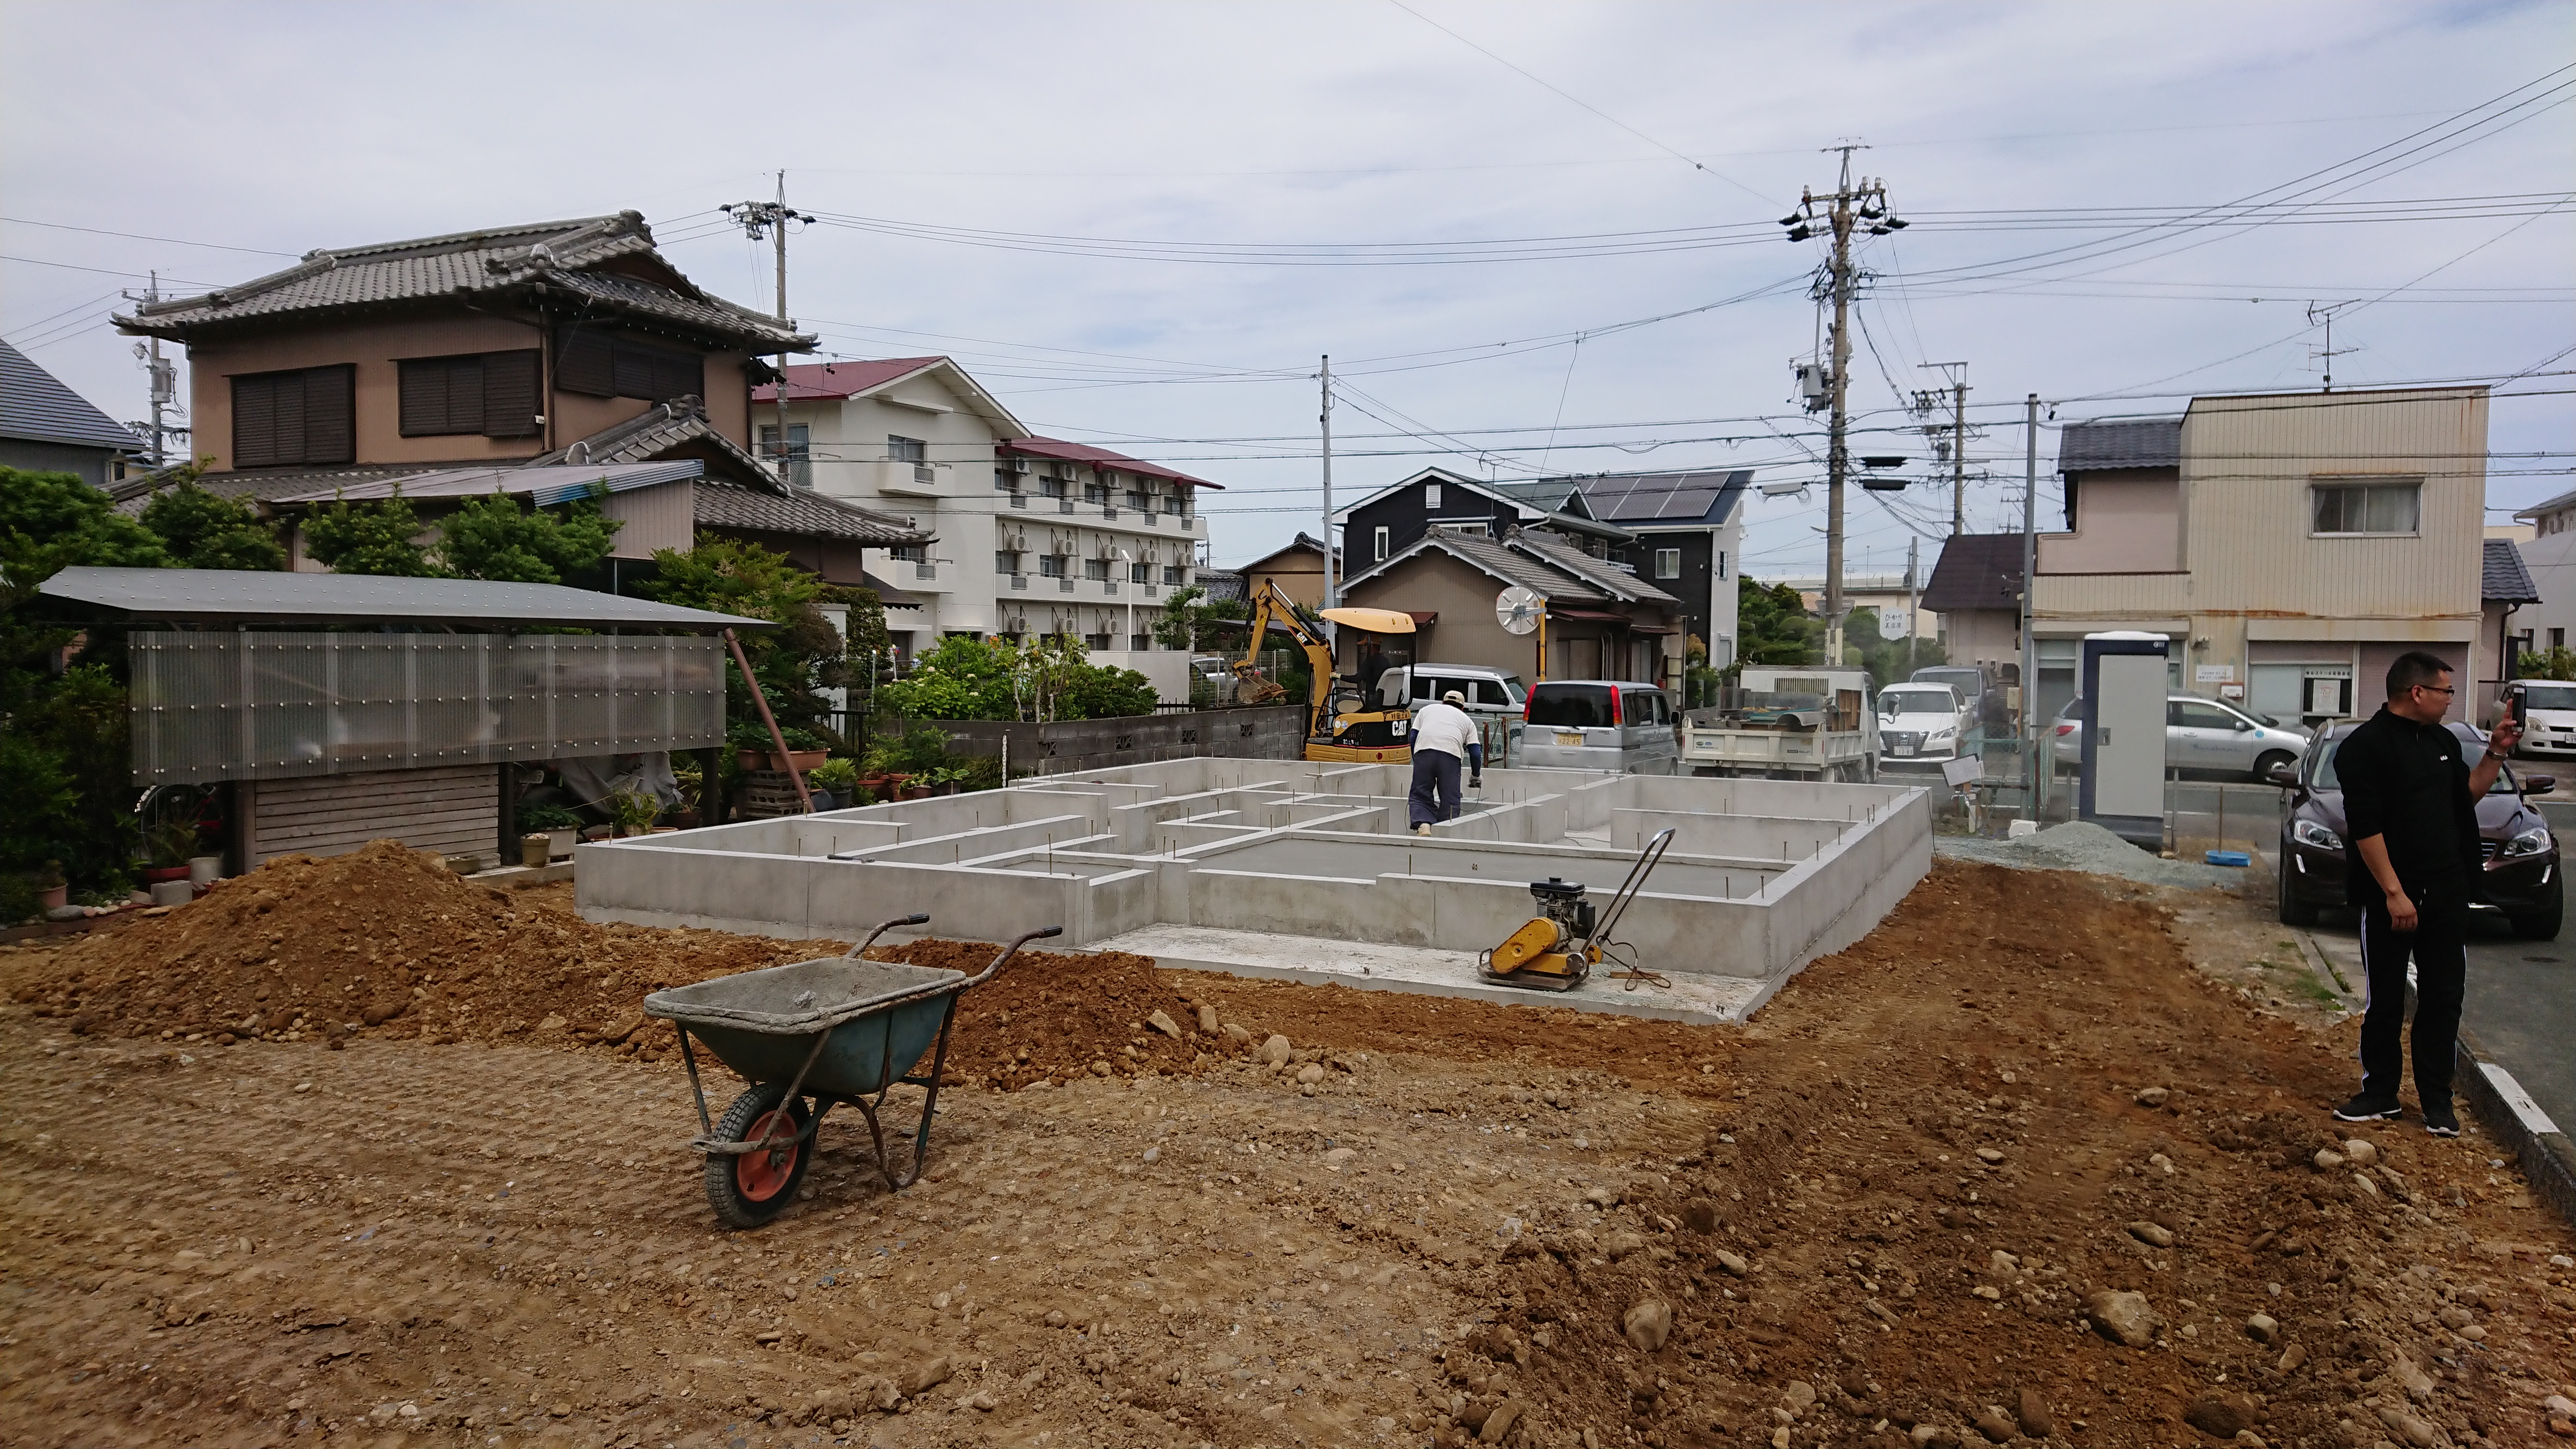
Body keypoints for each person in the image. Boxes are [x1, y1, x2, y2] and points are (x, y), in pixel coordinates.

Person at [2330, 650, 2520, 1136]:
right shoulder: (2363, 748)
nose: (2450, 701)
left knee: (2442, 998)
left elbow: (2466, 796)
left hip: (2445, 893)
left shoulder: (2441, 743)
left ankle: (2437, 1101)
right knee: (2386, 999)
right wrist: (2393, 892)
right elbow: (2365, 827)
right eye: (2445, 691)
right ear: (2416, 692)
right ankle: (2380, 1093)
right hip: (2391, 897)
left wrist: (2495, 751)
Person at [1407, 689, 1484, 835]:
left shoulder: (1426, 710)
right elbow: (1475, 752)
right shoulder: (1467, 721)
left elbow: (1413, 737)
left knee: (1420, 793)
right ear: (1463, 708)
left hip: (1424, 753)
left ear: (1443, 703)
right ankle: (1445, 831)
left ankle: (1423, 824)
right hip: (1450, 757)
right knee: (1450, 799)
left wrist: (1417, 760)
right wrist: (1476, 775)